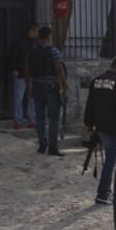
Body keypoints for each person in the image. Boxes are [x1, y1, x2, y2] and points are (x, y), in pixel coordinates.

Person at [84, 56, 116, 205]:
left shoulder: (96, 81)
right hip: (114, 129)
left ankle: (107, 191)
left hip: (101, 128)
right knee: (111, 161)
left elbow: (90, 105)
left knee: (113, 155)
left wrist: (89, 124)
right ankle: (102, 194)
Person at [26, 26, 67, 155]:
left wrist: (29, 87)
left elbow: (27, 70)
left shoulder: (31, 51)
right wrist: (64, 86)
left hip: (37, 86)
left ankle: (42, 145)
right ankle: (53, 147)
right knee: (53, 118)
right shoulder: (53, 51)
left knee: (40, 118)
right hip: (51, 87)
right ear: (49, 36)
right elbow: (59, 68)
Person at [10, 23, 38, 129]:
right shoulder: (19, 42)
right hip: (21, 73)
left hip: (32, 73)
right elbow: (13, 56)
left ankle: (32, 119)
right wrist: (14, 69)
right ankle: (18, 120)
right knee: (19, 97)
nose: (37, 33)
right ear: (30, 31)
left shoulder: (36, 43)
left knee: (32, 97)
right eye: (35, 31)